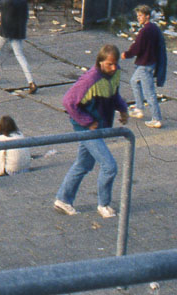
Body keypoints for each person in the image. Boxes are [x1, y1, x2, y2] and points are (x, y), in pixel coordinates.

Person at [54, 45, 128, 218]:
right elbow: (68, 102)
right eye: (110, 64)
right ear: (100, 62)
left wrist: (123, 109)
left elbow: (113, 95)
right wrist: (87, 121)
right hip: (86, 128)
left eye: (116, 64)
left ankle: (63, 199)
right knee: (109, 166)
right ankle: (104, 205)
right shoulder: (90, 79)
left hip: (98, 126)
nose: (114, 68)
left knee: (83, 164)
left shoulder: (114, 75)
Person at [122, 4, 167, 128]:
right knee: (134, 82)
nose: (138, 18)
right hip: (150, 62)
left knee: (149, 93)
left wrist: (127, 54)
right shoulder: (154, 28)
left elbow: (137, 47)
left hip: (145, 64)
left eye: (141, 15)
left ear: (147, 16)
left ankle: (156, 119)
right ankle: (139, 108)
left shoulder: (144, 31)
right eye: (137, 16)